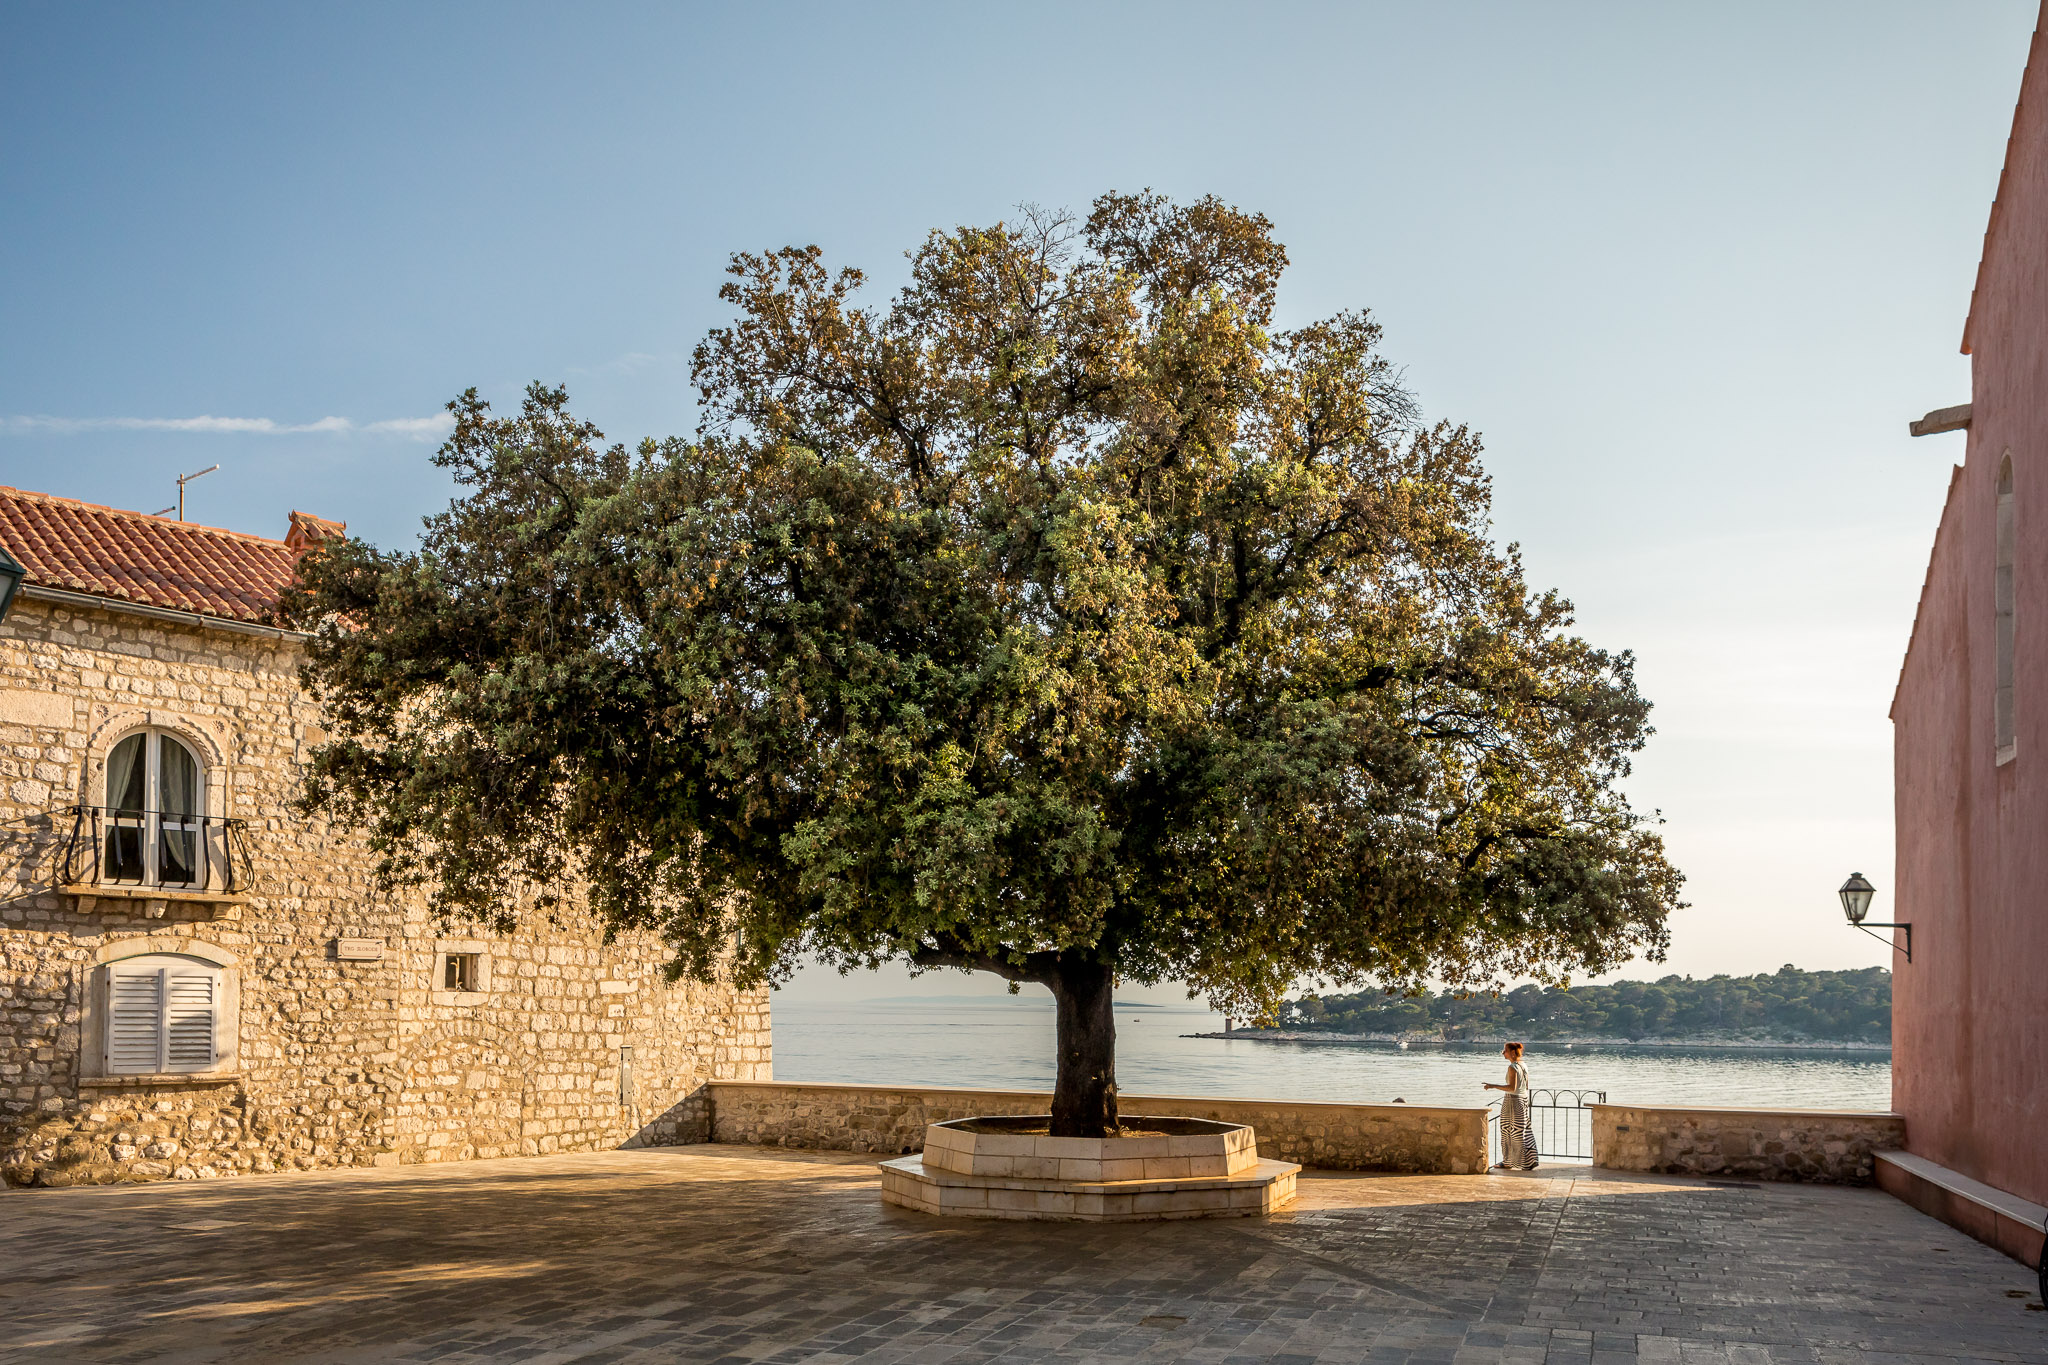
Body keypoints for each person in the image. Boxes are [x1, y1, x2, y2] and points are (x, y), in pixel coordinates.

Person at [1482, 1041, 1538, 1170]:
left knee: (1508, 1131)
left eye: (1505, 1050)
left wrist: (1492, 1086)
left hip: (1512, 1101)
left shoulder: (1512, 1067)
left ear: (1512, 1052)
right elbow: (1526, 1086)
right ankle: (1529, 1160)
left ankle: (1508, 1162)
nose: (1503, 1053)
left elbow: (1511, 1088)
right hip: (1523, 1099)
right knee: (1522, 1131)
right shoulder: (1523, 1065)